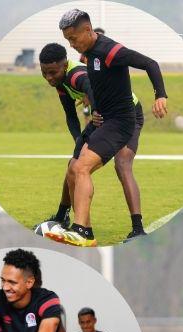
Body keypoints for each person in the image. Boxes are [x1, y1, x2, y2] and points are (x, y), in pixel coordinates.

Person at [58, 8, 167, 246]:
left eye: (73, 39)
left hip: (122, 121)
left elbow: (150, 63)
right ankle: (72, 223)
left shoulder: (110, 51)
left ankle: (91, 230)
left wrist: (160, 95)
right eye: (68, 40)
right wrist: (94, 109)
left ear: (87, 30)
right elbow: (97, 86)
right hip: (105, 120)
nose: (72, 45)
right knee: (74, 166)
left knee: (108, 165)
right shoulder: (87, 54)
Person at [38, 42, 146, 241]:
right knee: (74, 163)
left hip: (127, 114)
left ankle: (137, 229)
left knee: (122, 165)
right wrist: (78, 140)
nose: (48, 78)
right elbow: (70, 116)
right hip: (104, 116)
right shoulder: (61, 82)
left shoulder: (75, 75)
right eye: (44, 73)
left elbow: (90, 85)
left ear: (63, 65)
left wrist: (96, 109)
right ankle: (70, 221)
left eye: (52, 72)